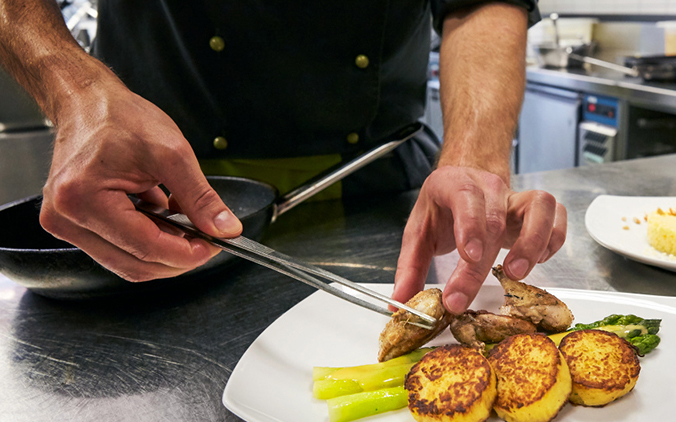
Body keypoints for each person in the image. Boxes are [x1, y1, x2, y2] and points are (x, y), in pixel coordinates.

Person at [0, 0, 567, 314]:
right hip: (158, 203)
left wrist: (475, 161)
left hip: (379, 194)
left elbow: (481, 1)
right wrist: (74, 91)